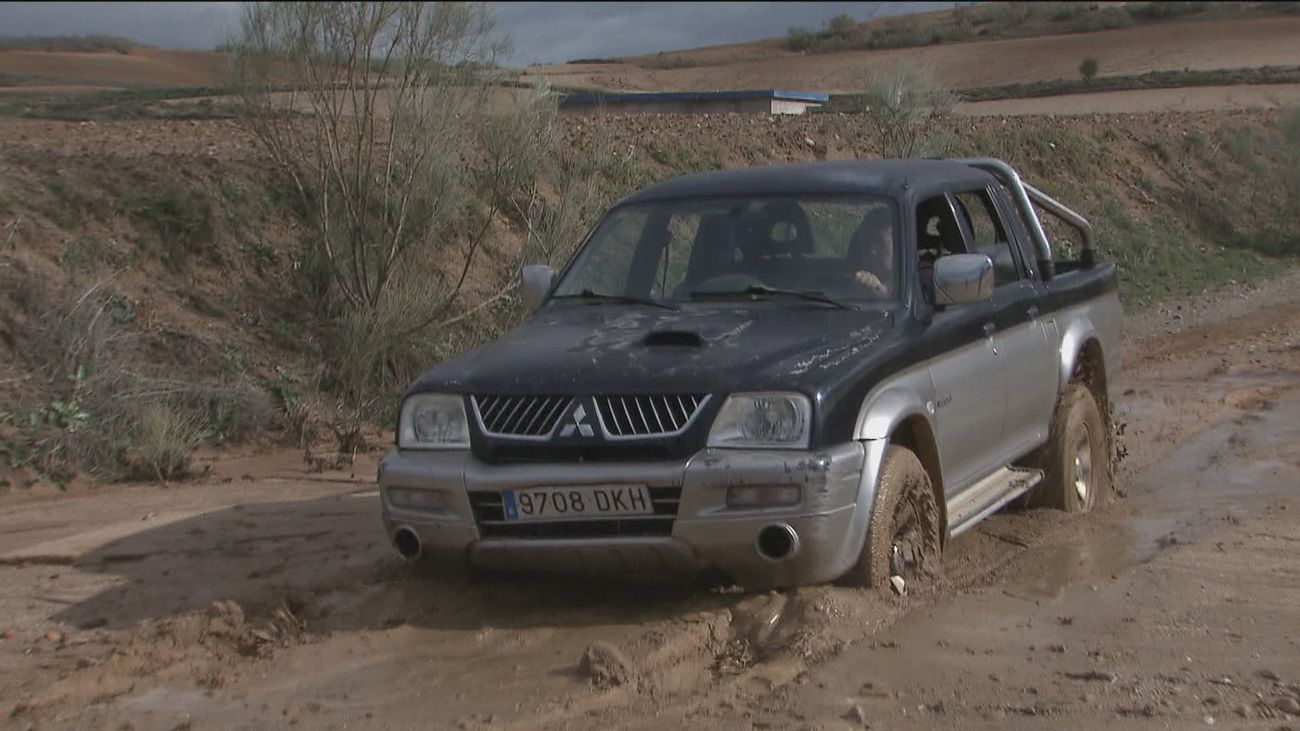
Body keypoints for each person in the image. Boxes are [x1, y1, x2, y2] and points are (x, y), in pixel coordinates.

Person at [848, 208, 894, 297]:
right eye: (867, 242)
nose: (871, 250)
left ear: (898, 246)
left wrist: (882, 292)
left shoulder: (914, 281)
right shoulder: (843, 280)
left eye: (881, 244)